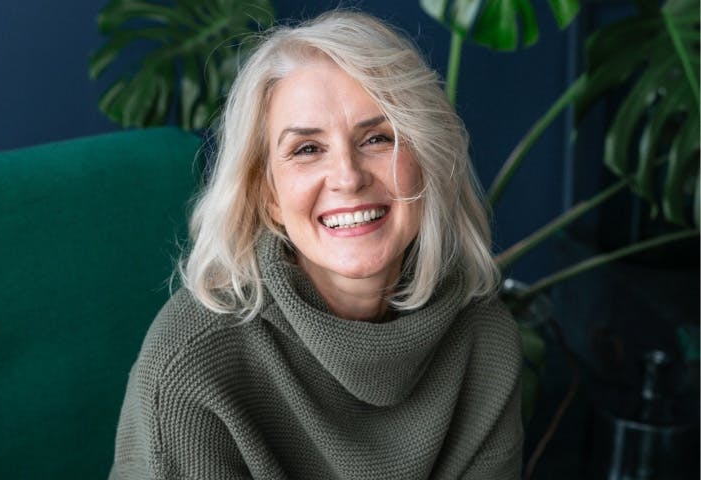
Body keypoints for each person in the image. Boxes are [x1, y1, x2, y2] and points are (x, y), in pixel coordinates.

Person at [110, 9, 523, 480]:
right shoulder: (191, 363)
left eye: (377, 138)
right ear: (269, 199)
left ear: (427, 163)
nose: (348, 177)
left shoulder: (484, 338)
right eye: (307, 149)